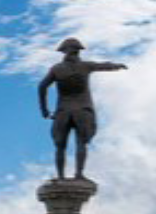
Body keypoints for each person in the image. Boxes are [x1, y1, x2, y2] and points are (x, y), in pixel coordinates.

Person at [38, 36, 128, 179]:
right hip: (83, 109)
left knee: (61, 146)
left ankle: (61, 177)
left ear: (64, 51)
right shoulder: (85, 66)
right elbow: (103, 65)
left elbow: (42, 87)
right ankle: (78, 174)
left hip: (63, 111)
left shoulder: (57, 69)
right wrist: (116, 66)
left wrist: (44, 110)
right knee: (80, 143)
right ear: (77, 51)